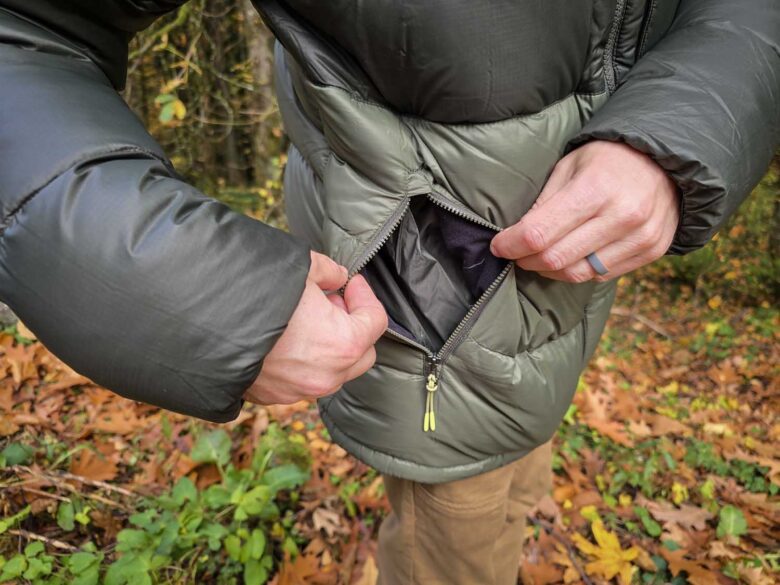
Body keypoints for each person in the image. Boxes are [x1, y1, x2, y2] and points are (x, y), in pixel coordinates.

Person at [0, 1, 777, 584]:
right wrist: (207, 297)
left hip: (563, 310)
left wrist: (681, 133)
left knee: (516, 488)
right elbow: (28, 26)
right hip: (425, 337)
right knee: (458, 537)